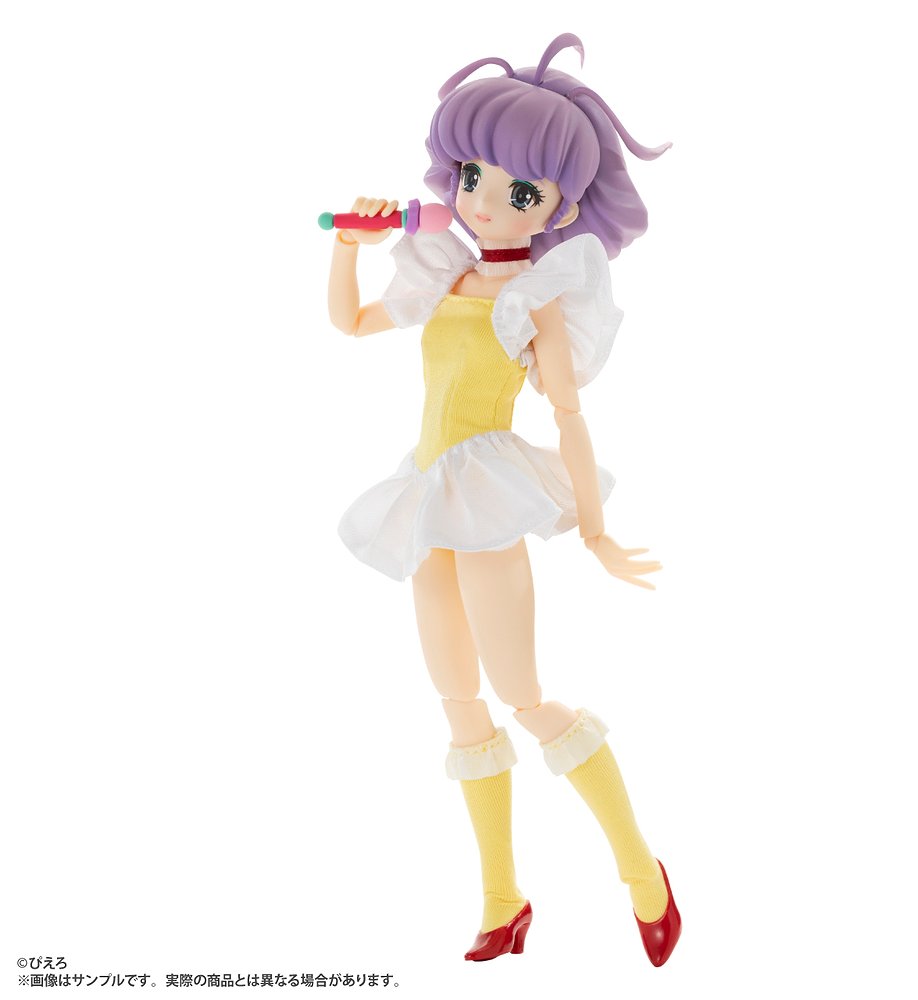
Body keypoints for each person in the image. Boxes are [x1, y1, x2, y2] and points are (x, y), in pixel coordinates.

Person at [325, 33, 681, 966]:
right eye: (475, 177)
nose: (485, 202)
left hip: (482, 497)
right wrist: (350, 249)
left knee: (523, 696)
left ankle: (640, 870)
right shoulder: (442, 270)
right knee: (457, 701)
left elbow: (569, 416)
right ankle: (502, 899)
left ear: (561, 207)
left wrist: (595, 531)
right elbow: (351, 322)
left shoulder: (539, 297)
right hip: (425, 491)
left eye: (522, 193)